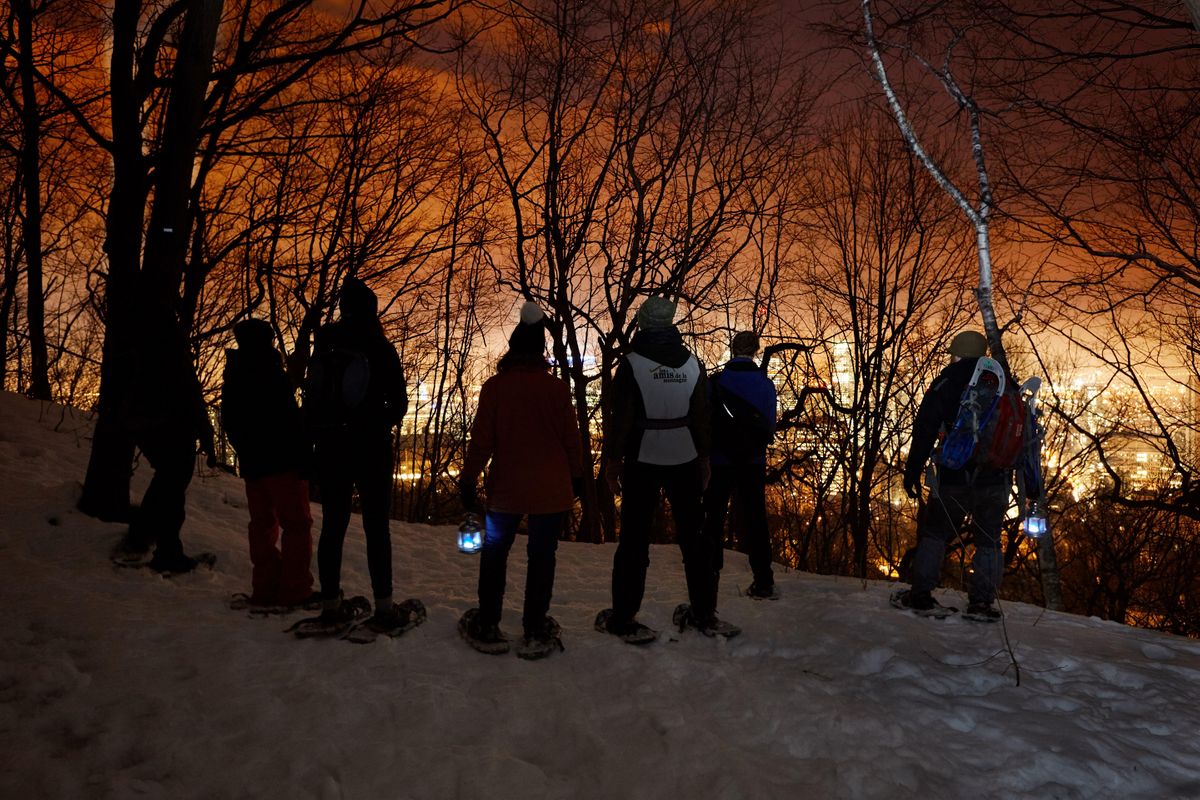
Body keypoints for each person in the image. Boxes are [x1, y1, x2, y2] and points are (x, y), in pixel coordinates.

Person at [599, 295, 738, 642]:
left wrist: (613, 461)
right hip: (685, 456)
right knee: (695, 539)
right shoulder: (693, 363)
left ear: (644, 322)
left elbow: (622, 419)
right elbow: (702, 417)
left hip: (643, 458)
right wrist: (704, 458)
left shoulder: (631, 364)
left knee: (634, 539)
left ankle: (624, 616)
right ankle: (704, 612)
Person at [457, 301, 584, 657]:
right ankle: (534, 625)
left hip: (506, 493)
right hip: (551, 491)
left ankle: (488, 621)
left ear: (512, 349)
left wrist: (468, 479)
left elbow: (482, 441)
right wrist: (577, 480)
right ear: (541, 351)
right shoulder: (557, 390)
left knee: (495, 553)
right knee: (542, 556)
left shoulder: (495, 388)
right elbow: (571, 440)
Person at [306, 277, 413, 634]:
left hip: (330, 447)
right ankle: (384, 607)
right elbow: (398, 403)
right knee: (375, 528)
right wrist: (377, 422)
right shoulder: (378, 345)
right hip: (370, 448)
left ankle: (331, 605)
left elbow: (313, 397)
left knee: (333, 525)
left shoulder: (324, 343)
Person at [897, 329, 1009, 622]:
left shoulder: (948, 381)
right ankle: (982, 604)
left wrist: (912, 471)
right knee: (989, 540)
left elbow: (925, 428)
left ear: (957, 353)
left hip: (955, 473)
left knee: (936, 532)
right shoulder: (1004, 383)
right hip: (996, 477)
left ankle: (920, 595)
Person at [111, 290, 218, 574]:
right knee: (171, 483)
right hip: (169, 422)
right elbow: (187, 389)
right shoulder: (167, 339)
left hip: (145, 421)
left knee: (169, 483)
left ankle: (156, 544)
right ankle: (152, 545)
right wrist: (204, 433)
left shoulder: (136, 337)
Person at [221, 318, 315, 608]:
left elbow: (230, 423)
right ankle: (294, 590)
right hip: (282, 462)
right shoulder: (271, 374)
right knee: (296, 525)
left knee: (261, 525)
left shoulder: (234, 374)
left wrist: (246, 450)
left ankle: (265, 588)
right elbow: (290, 421)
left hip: (254, 466)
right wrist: (304, 458)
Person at [703, 331, 778, 600]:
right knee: (756, 518)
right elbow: (770, 426)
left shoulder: (716, 383)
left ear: (732, 349)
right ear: (756, 351)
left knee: (713, 518)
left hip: (720, 460)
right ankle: (763, 579)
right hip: (752, 462)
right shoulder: (765, 385)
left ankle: (709, 577)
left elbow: (706, 423)